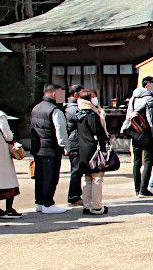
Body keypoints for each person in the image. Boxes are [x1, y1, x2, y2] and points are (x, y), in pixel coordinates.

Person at [69, 85, 111, 215]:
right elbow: (98, 132)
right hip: (94, 149)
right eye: (93, 97)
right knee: (97, 178)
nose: (95, 99)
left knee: (87, 178)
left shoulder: (78, 114)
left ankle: (87, 205)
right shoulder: (92, 115)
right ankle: (97, 206)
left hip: (82, 149)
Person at [27, 84, 65, 213]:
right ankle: (48, 203)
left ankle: (40, 202)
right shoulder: (55, 110)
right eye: (60, 94)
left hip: (38, 147)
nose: (62, 97)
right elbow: (60, 131)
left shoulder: (36, 108)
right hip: (51, 147)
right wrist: (65, 146)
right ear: (54, 94)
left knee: (40, 176)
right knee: (51, 176)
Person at [125, 76, 153, 197]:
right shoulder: (149, 98)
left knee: (137, 161)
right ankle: (144, 189)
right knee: (148, 160)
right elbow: (151, 120)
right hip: (146, 133)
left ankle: (137, 189)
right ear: (147, 86)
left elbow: (129, 115)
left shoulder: (133, 97)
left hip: (135, 132)